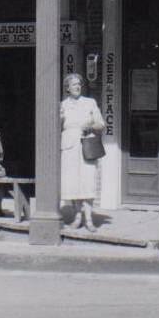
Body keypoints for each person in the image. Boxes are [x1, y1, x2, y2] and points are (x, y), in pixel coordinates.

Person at [60, 72, 105, 231]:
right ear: (67, 88)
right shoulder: (63, 105)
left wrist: (90, 127)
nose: (77, 86)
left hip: (87, 146)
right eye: (74, 84)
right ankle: (77, 217)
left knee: (88, 181)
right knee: (73, 183)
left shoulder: (90, 103)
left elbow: (101, 125)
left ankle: (89, 219)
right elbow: (57, 126)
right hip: (69, 147)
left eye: (79, 84)